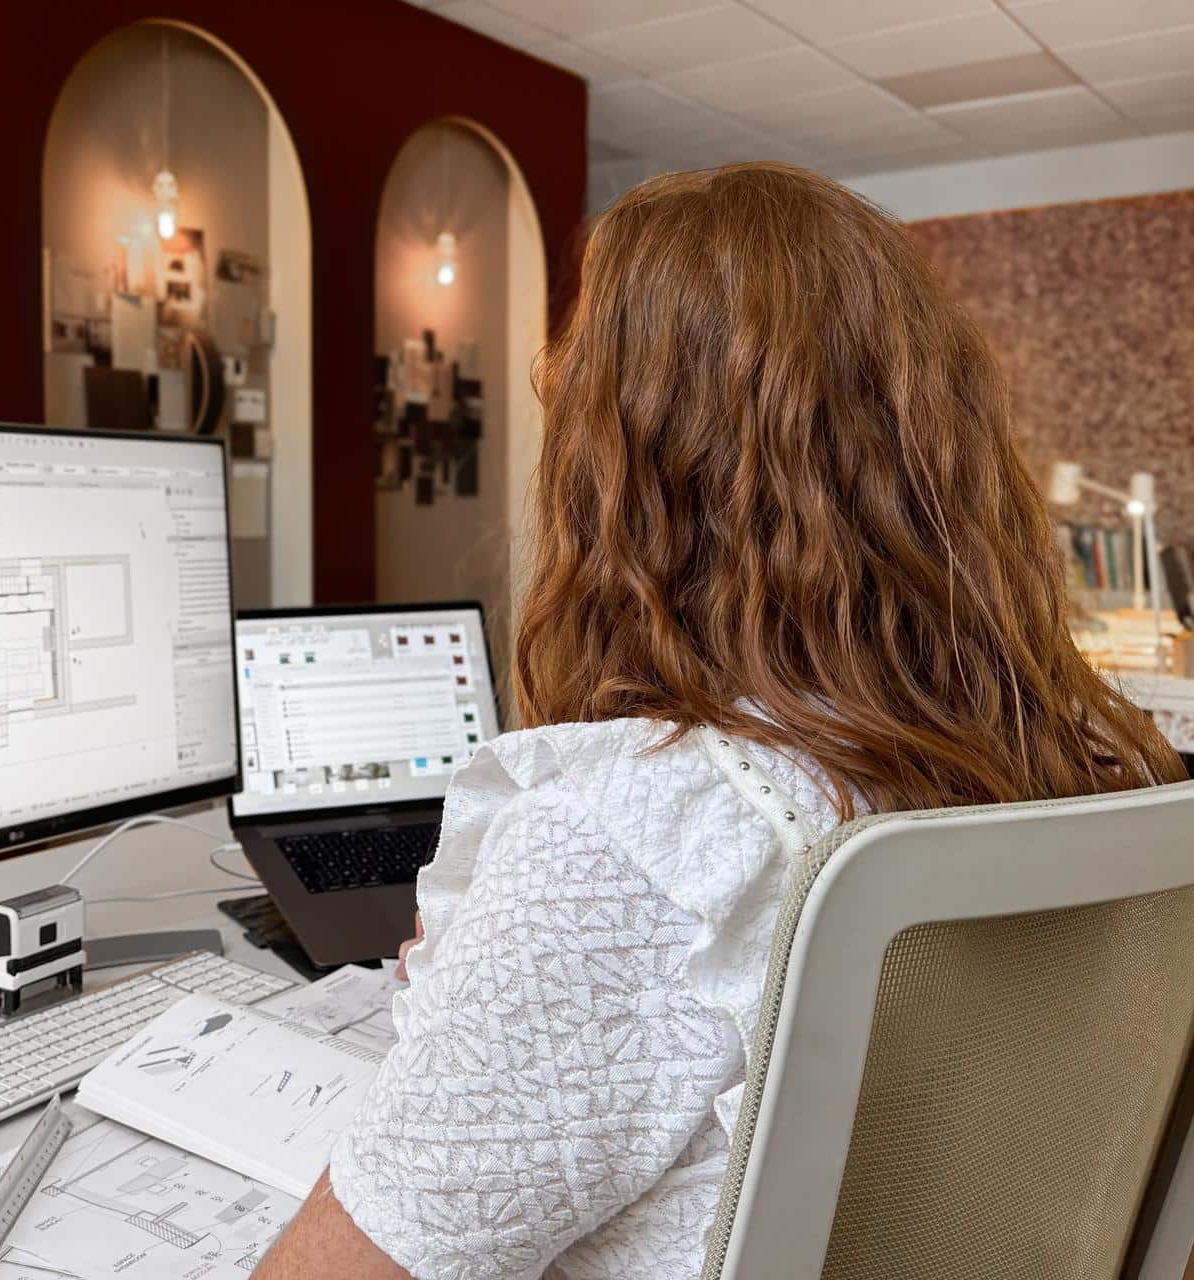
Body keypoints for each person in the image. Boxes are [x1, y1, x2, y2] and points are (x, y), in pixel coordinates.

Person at [253, 161, 1183, 1279]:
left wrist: (537, 949)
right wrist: (497, 987)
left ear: (620, 464)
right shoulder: (1094, 762)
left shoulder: (639, 838)